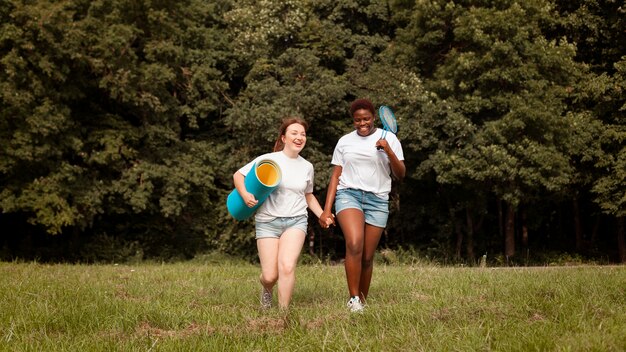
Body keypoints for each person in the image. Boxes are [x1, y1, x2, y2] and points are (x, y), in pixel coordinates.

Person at [233, 118, 334, 310]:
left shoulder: (307, 166)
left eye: (303, 134)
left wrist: (322, 214)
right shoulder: (269, 159)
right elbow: (238, 175)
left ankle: (283, 314)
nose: (299, 137)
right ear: (284, 137)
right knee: (270, 275)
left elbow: (308, 195)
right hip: (267, 221)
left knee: (287, 266)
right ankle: (266, 289)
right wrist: (245, 195)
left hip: (296, 221)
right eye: (294, 133)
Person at [319, 98, 405, 313]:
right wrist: (326, 210)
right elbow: (335, 176)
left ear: (374, 118)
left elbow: (400, 174)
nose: (362, 123)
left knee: (367, 257)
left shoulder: (389, 139)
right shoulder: (344, 141)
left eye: (366, 119)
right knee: (355, 243)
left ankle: (362, 303)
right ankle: (353, 299)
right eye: (357, 120)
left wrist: (388, 151)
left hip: (378, 200)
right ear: (353, 121)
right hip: (349, 195)